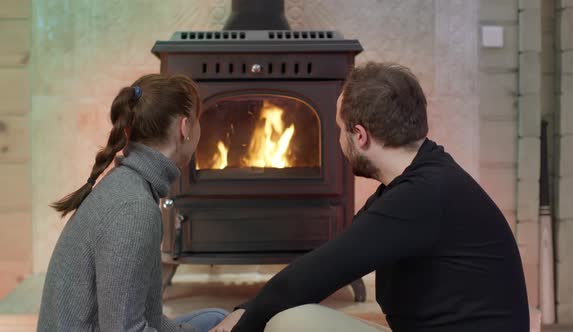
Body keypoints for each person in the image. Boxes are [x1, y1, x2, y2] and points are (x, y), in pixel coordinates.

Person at [210, 62, 530, 332]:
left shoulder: (421, 196)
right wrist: (250, 308)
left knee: (289, 322)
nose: (338, 139)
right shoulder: (424, 178)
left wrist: (242, 323)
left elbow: (308, 280)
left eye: (339, 129)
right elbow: (323, 266)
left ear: (360, 136)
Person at [37, 74, 228, 332]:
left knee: (218, 318)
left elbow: (142, 317)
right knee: (221, 322)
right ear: (185, 128)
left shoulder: (129, 186)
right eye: (198, 121)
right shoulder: (134, 210)